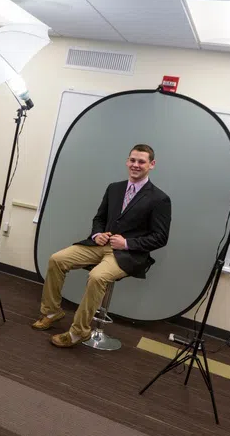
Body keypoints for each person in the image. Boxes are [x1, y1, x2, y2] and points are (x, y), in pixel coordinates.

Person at [32, 144, 171, 347]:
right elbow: (99, 218)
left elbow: (160, 237)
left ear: (152, 164)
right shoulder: (114, 188)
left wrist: (127, 243)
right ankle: (52, 312)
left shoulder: (160, 199)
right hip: (99, 245)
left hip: (127, 254)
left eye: (141, 161)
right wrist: (97, 234)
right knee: (57, 259)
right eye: (132, 160)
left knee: (97, 276)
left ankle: (78, 332)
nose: (136, 165)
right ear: (127, 161)